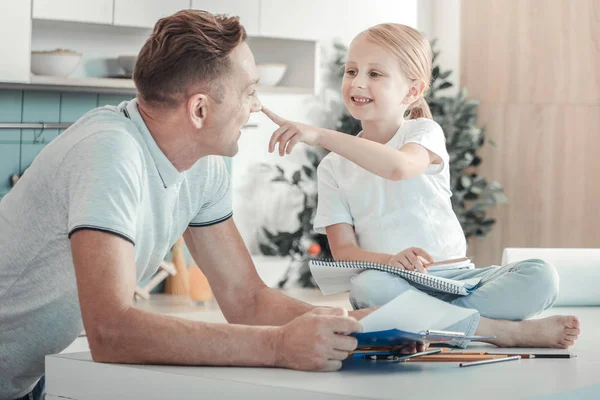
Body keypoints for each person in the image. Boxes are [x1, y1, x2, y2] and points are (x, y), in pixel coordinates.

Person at [0, 10, 375, 400]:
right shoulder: (110, 151)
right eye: (248, 91)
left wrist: (358, 329)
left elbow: (247, 300)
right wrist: (278, 346)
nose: (257, 106)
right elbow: (111, 332)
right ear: (199, 110)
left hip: (22, 382)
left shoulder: (203, 167)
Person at [261, 23, 580, 351]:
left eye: (375, 74)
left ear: (412, 92)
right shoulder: (332, 167)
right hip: (397, 283)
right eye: (352, 70)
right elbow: (344, 250)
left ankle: (427, 323)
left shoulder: (424, 133)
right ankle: (501, 331)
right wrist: (390, 260)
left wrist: (322, 135)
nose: (357, 82)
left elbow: (399, 167)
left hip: (461, 281)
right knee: (369, 287)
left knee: (541, 276)